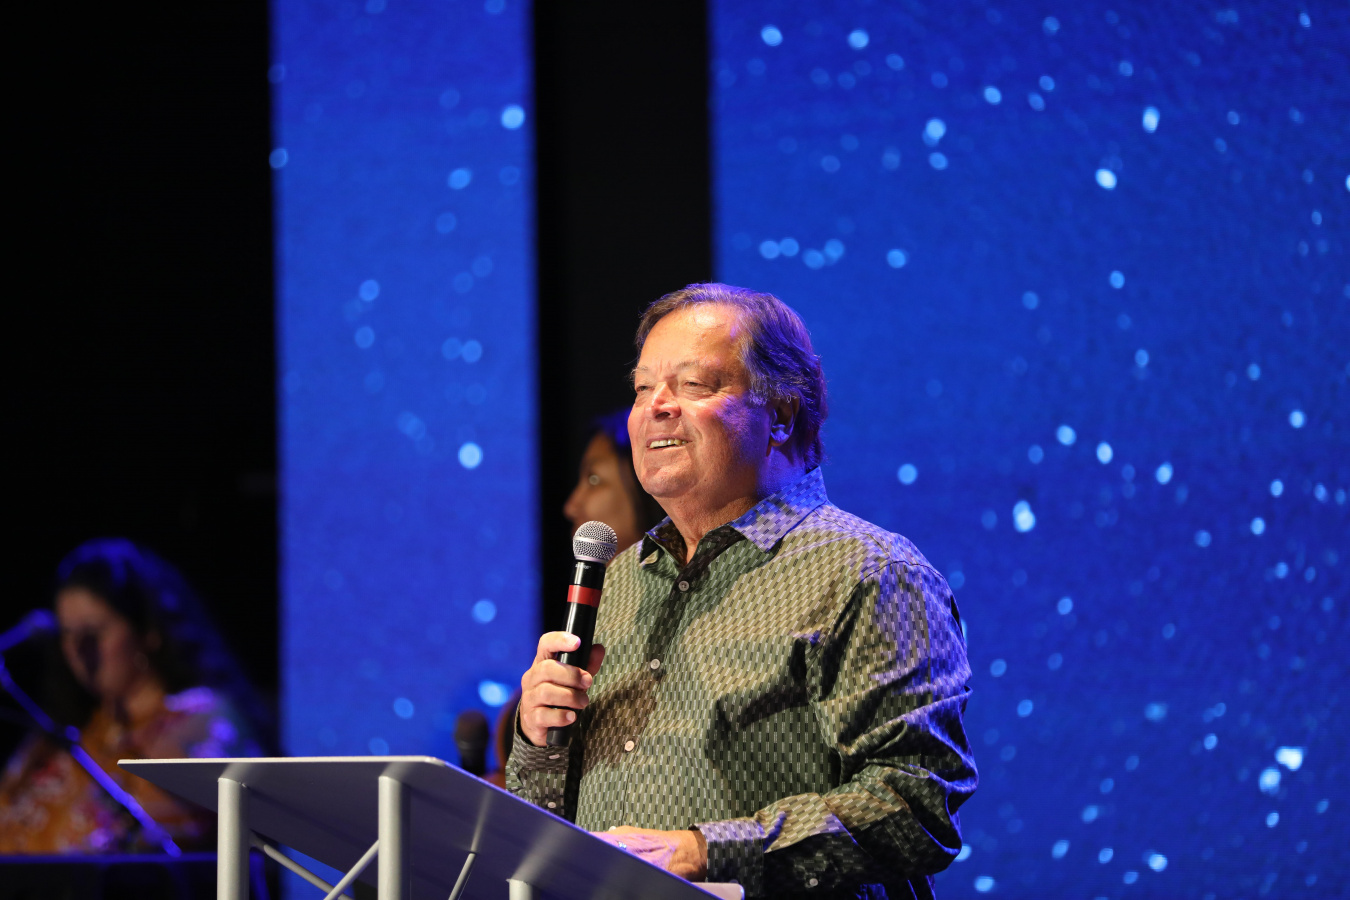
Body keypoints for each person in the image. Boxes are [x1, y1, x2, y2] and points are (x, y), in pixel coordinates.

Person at [508, 284, 977, 899]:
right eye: (643, 388)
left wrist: (706, 853)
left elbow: (916, 803)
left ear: (780, 414)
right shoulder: (618, 580)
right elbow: (548, 815)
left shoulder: (870, 572)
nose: (656, 407)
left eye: (694, 384)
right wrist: (538, 739)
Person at [0, 539, 267, 853]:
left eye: (95, 631)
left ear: (148, 631)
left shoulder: (197, 721)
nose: (79, 650)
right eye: (69, 634)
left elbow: (161, 835)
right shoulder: (62, 734)